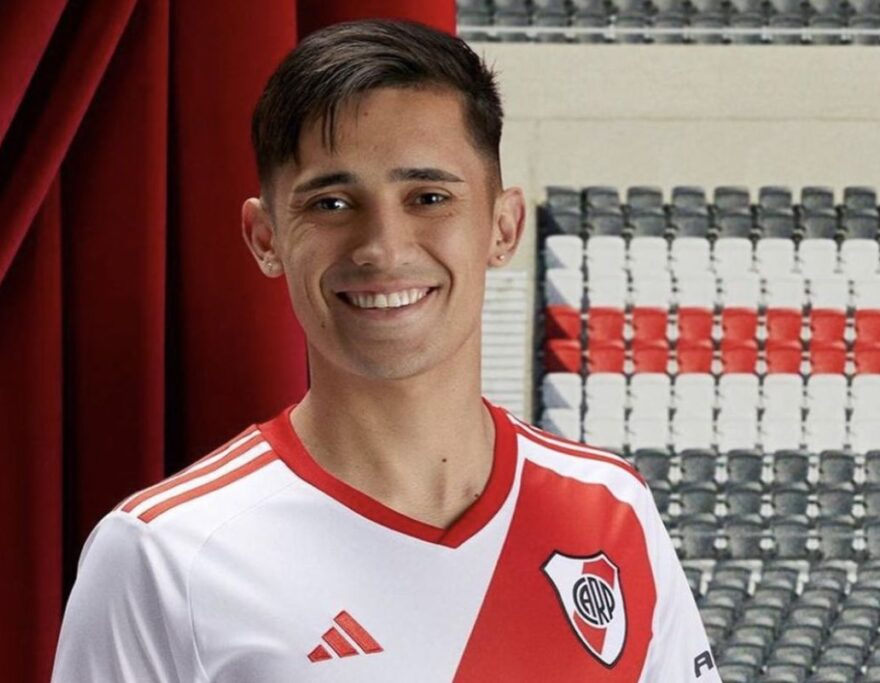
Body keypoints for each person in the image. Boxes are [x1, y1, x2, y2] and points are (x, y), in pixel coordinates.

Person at [51, 19, 719, 682]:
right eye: (333, 202)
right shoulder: (163, 554)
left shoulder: (611, 507)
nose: (384, 248)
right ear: (265, 237)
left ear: (503, 225)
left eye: (428, 197)